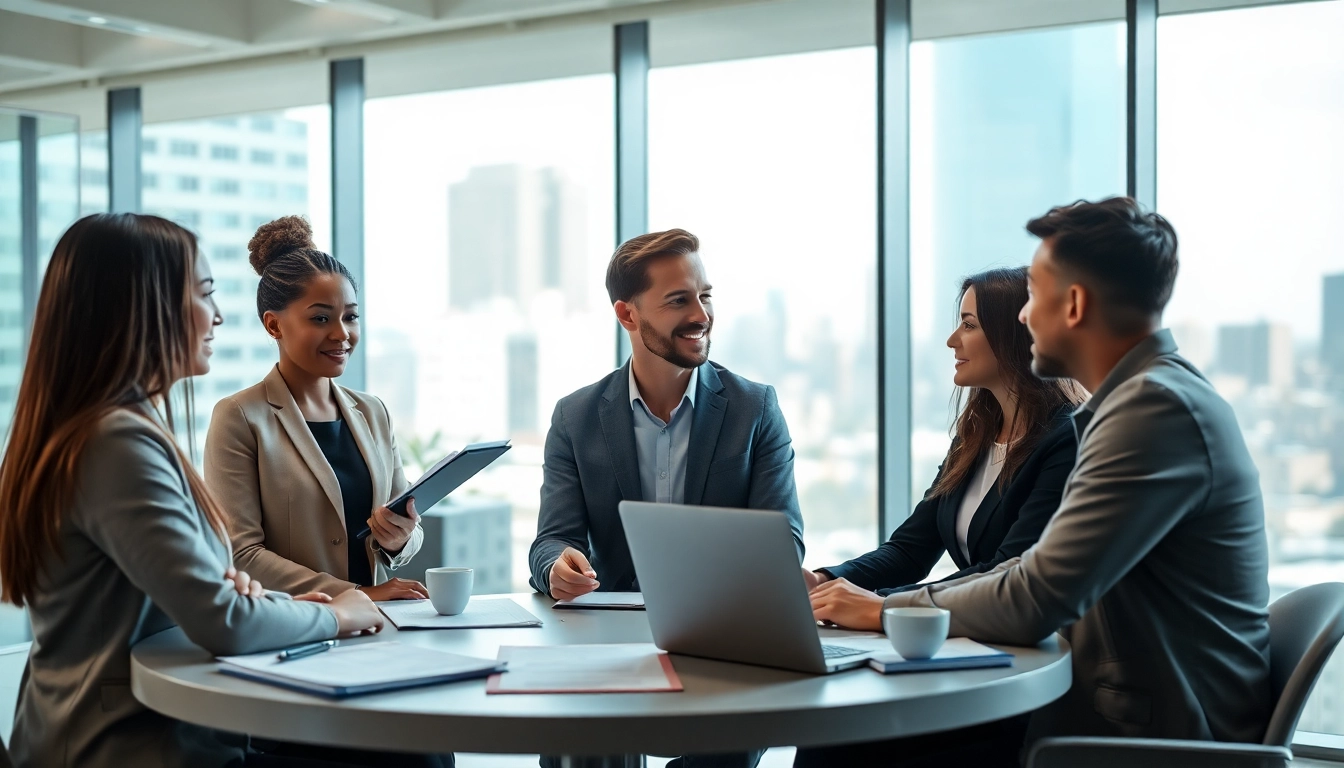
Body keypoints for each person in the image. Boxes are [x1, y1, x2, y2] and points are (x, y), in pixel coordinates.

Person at [799, 197, 1271, 767]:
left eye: (1037, 294)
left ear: (1072, 304)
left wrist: (884, 610)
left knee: (845, 742)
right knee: (849, 734)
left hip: (1151, 732)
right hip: (1111, 704)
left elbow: (1038, 595)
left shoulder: (1153, 411)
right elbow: (1024, 574)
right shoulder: (1139, 401)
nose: (1023, 316)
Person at [0, 213, 386, 768]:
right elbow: (219, 618)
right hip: (121, 746)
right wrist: (340, 614)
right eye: (205, 293)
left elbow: (205, 599)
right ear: (143, 307)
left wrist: (269, 601)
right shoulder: (115, 442)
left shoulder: (110, 428)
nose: (220, 316)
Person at [529, 228, 803, 768]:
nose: (701, 313)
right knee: (575, 750)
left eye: (705, 296)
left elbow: (784, 544)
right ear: (628, 316)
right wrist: (555, 568)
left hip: (721, 644)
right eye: (679, 300)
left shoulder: (755, 408)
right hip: (606, 645)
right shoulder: (575, 416)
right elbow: (550, 540)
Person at [802, 267, 1085, 629]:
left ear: (1012, 335)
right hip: (976, 642)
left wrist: (883, 606)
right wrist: (825, 581)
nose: (953, 340)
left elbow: (1005, 572)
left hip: (1035, 651)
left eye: (969, 325)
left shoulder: (1067, 439)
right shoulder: (976, 436)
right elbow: (911, 549)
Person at [205, 216, 426, 603]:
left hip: (374, 629)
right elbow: (240, 553)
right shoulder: (239, 417)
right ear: (273, 325)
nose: (342, 333)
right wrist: (361, 594)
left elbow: (408, 524)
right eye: (321, 318)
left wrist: (400, 538)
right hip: (294, 627)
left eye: (351, 316)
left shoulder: (374, 412)